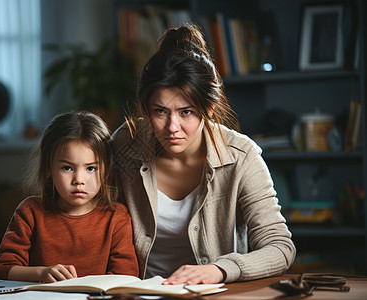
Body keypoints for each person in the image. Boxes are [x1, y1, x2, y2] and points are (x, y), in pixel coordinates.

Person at [111, 23, 296, 285]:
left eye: (186, 112)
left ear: (209, 108)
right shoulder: (124, 144)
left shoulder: (241, 157)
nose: (172, 127)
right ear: (146, 107)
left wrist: (219, 270)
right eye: (160, 111)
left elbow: (280, 248)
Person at [0, 111, 138, 282]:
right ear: (48, 168)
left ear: (106, 170)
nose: (79, 180)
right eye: (67, 168)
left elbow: (126, 276)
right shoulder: (30, 212)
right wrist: (41, 273)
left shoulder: (116, 217)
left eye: (91, 168)